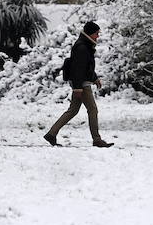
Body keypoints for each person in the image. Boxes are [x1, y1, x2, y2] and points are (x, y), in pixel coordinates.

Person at [43, 20, 114, 148]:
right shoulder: (82, 47)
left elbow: (87, 67)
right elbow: (78, 69)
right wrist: (77, 88)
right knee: (92, 109)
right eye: (96, 33)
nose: (98, 36)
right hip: (81, 84)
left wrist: (95, 78)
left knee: (73, 110)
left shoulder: (85, 45)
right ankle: (97, 140)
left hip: (81, 83)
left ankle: (51, 134)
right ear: (90, 33)